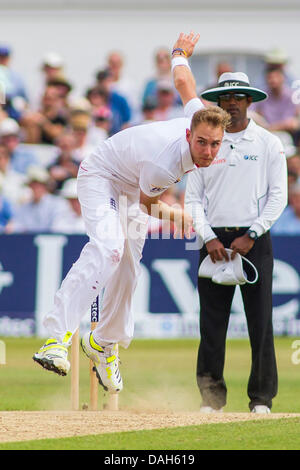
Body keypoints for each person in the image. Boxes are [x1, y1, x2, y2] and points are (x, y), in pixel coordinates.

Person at [32, 32, 231, 397]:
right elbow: (146, 202)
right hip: (102, 176)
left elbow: (184, 83)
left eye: (214, 144)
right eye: (201, 143)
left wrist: (178, 54)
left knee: (127, 267)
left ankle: (103, 344)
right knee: (109, 248)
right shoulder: (165, 164)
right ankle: (56, 337)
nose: (207, 150)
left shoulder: (201, 117)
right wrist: (180, 218)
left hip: (131, 182)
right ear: (189, 135)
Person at [173, 33, 288, 414]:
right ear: (219, 103)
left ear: (249, 102)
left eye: (239, 98)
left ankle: (261, 399)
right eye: (226, 98)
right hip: (214, 241)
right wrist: (207, 238)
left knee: (261, 324)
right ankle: (211, 399)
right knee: (211, 325)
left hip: (254, 239)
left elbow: (278, 196)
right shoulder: (208, 143)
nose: (233, 104)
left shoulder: (269, 144)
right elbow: (193, 198)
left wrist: (252, 233)